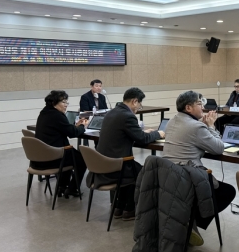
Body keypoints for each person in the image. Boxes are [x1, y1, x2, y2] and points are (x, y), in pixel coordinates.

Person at [163, 91, 237, 246]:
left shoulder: (172, 121)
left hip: (169, 175)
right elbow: (218, 148)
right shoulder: (196, 127)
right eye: (199, 104)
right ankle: (192, 222)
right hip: (188, 177)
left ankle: (188, 221)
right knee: (228, 191)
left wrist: (204, 127)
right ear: (188, 108)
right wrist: (211, 126)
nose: (203, 107)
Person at [88, 87, 165, 221]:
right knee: (145, 172)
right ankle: (129, 209)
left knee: (133, 167)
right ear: (135, 101)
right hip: (116, 167)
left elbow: (128, 133)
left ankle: (119, 207)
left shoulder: (112, 112)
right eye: (140, 104)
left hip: (102, 164)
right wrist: (158, 133)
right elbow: (142, 139)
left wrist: (141, 132)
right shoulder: (127, 116)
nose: (139, 108)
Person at [34, 90, 89, 198]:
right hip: (54, 155)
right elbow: (72, 133)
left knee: (72, 155)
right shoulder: (57, 115)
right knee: (83, 159)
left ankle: (62, 187)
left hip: (42, 155)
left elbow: (63, 129)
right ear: (54, 103)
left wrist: (75, 126)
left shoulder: (45, 112)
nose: (66, 105)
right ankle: (72, 188)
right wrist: (83, 126)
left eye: (66, 102)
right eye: (63, 102)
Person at [79, 79, 108, 146]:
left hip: (100, 119)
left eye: (100, 86)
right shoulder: (85, 97)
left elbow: (105, 109)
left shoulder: (102, 97)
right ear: (92, 87)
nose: (99, 88)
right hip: (89, 119)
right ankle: (98, 146)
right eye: (96, 86)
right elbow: (85, 111)